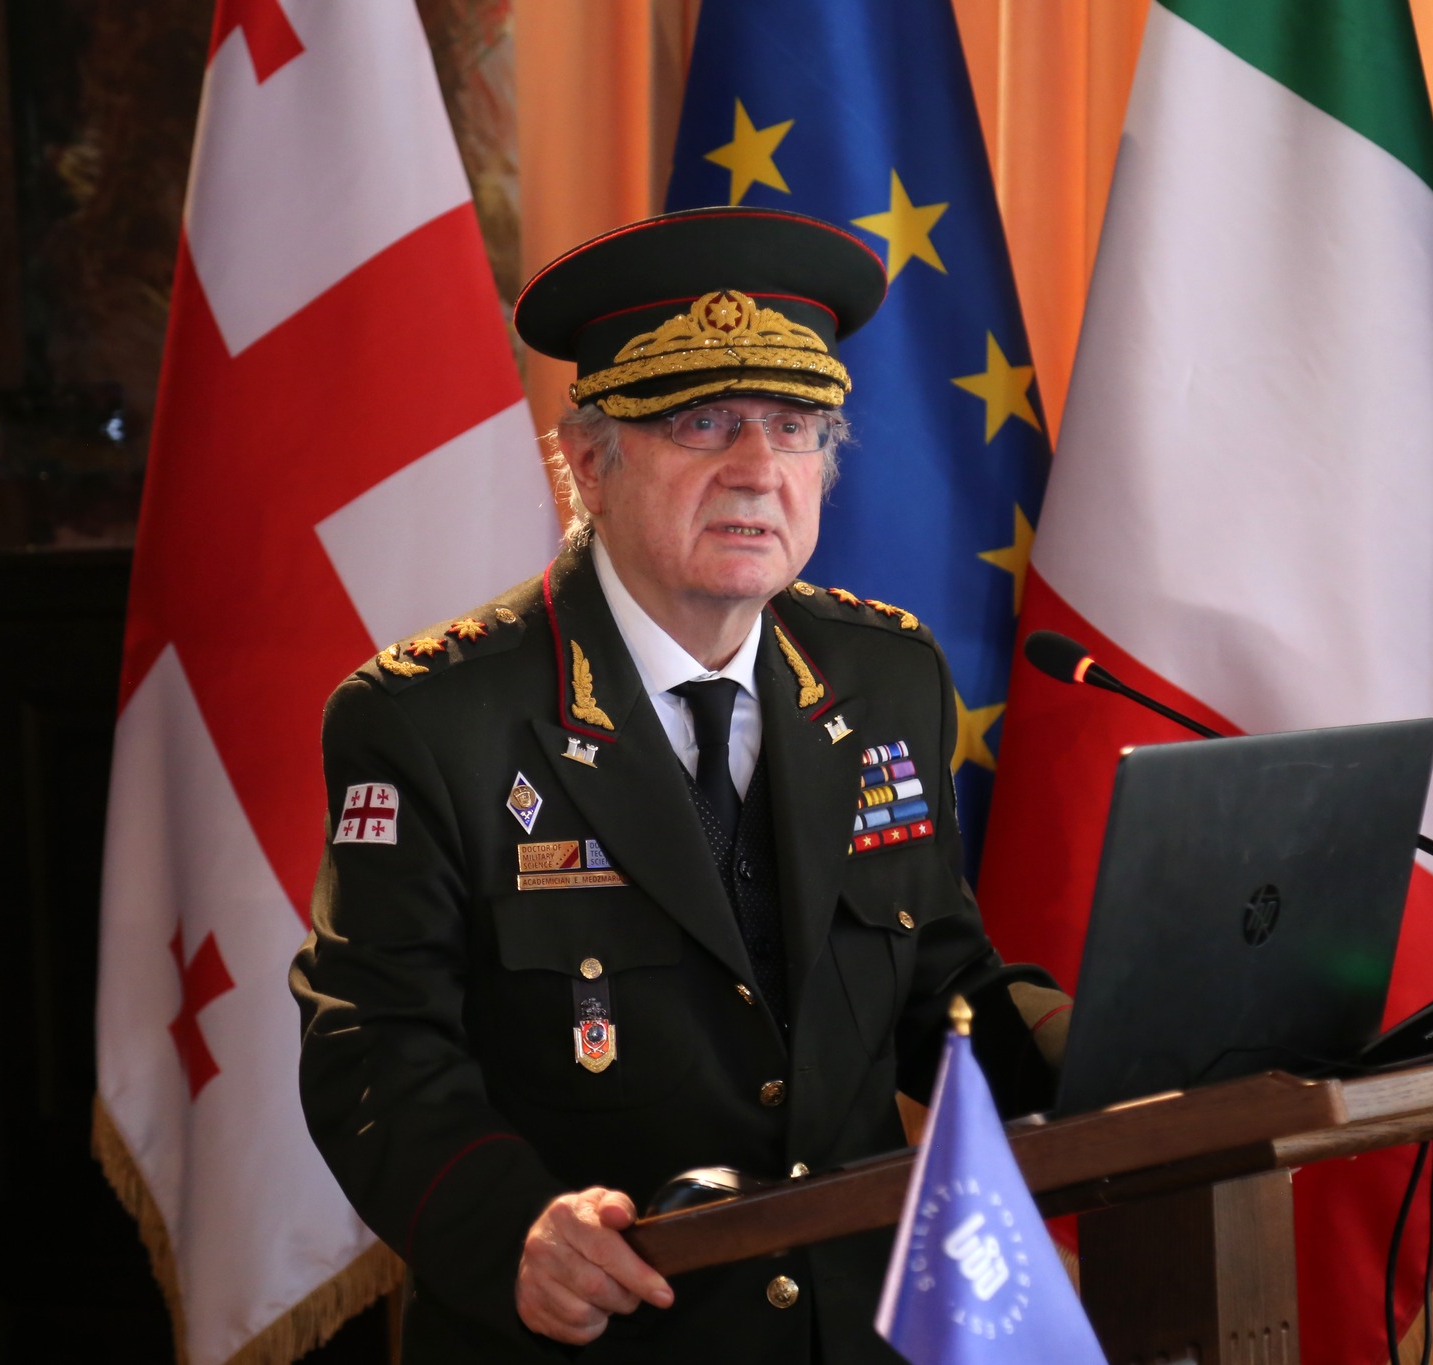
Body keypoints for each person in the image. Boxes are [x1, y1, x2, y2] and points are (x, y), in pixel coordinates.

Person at [291, 206, 1071, 1362]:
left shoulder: (885, 677)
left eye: (795, 428)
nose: (756, 471)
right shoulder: (430, 718)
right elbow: (373, 1046)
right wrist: (515, 1231)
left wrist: (1127, 1050)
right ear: (587, 463)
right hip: (600, 1331)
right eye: (701, 424)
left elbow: (935, 987)